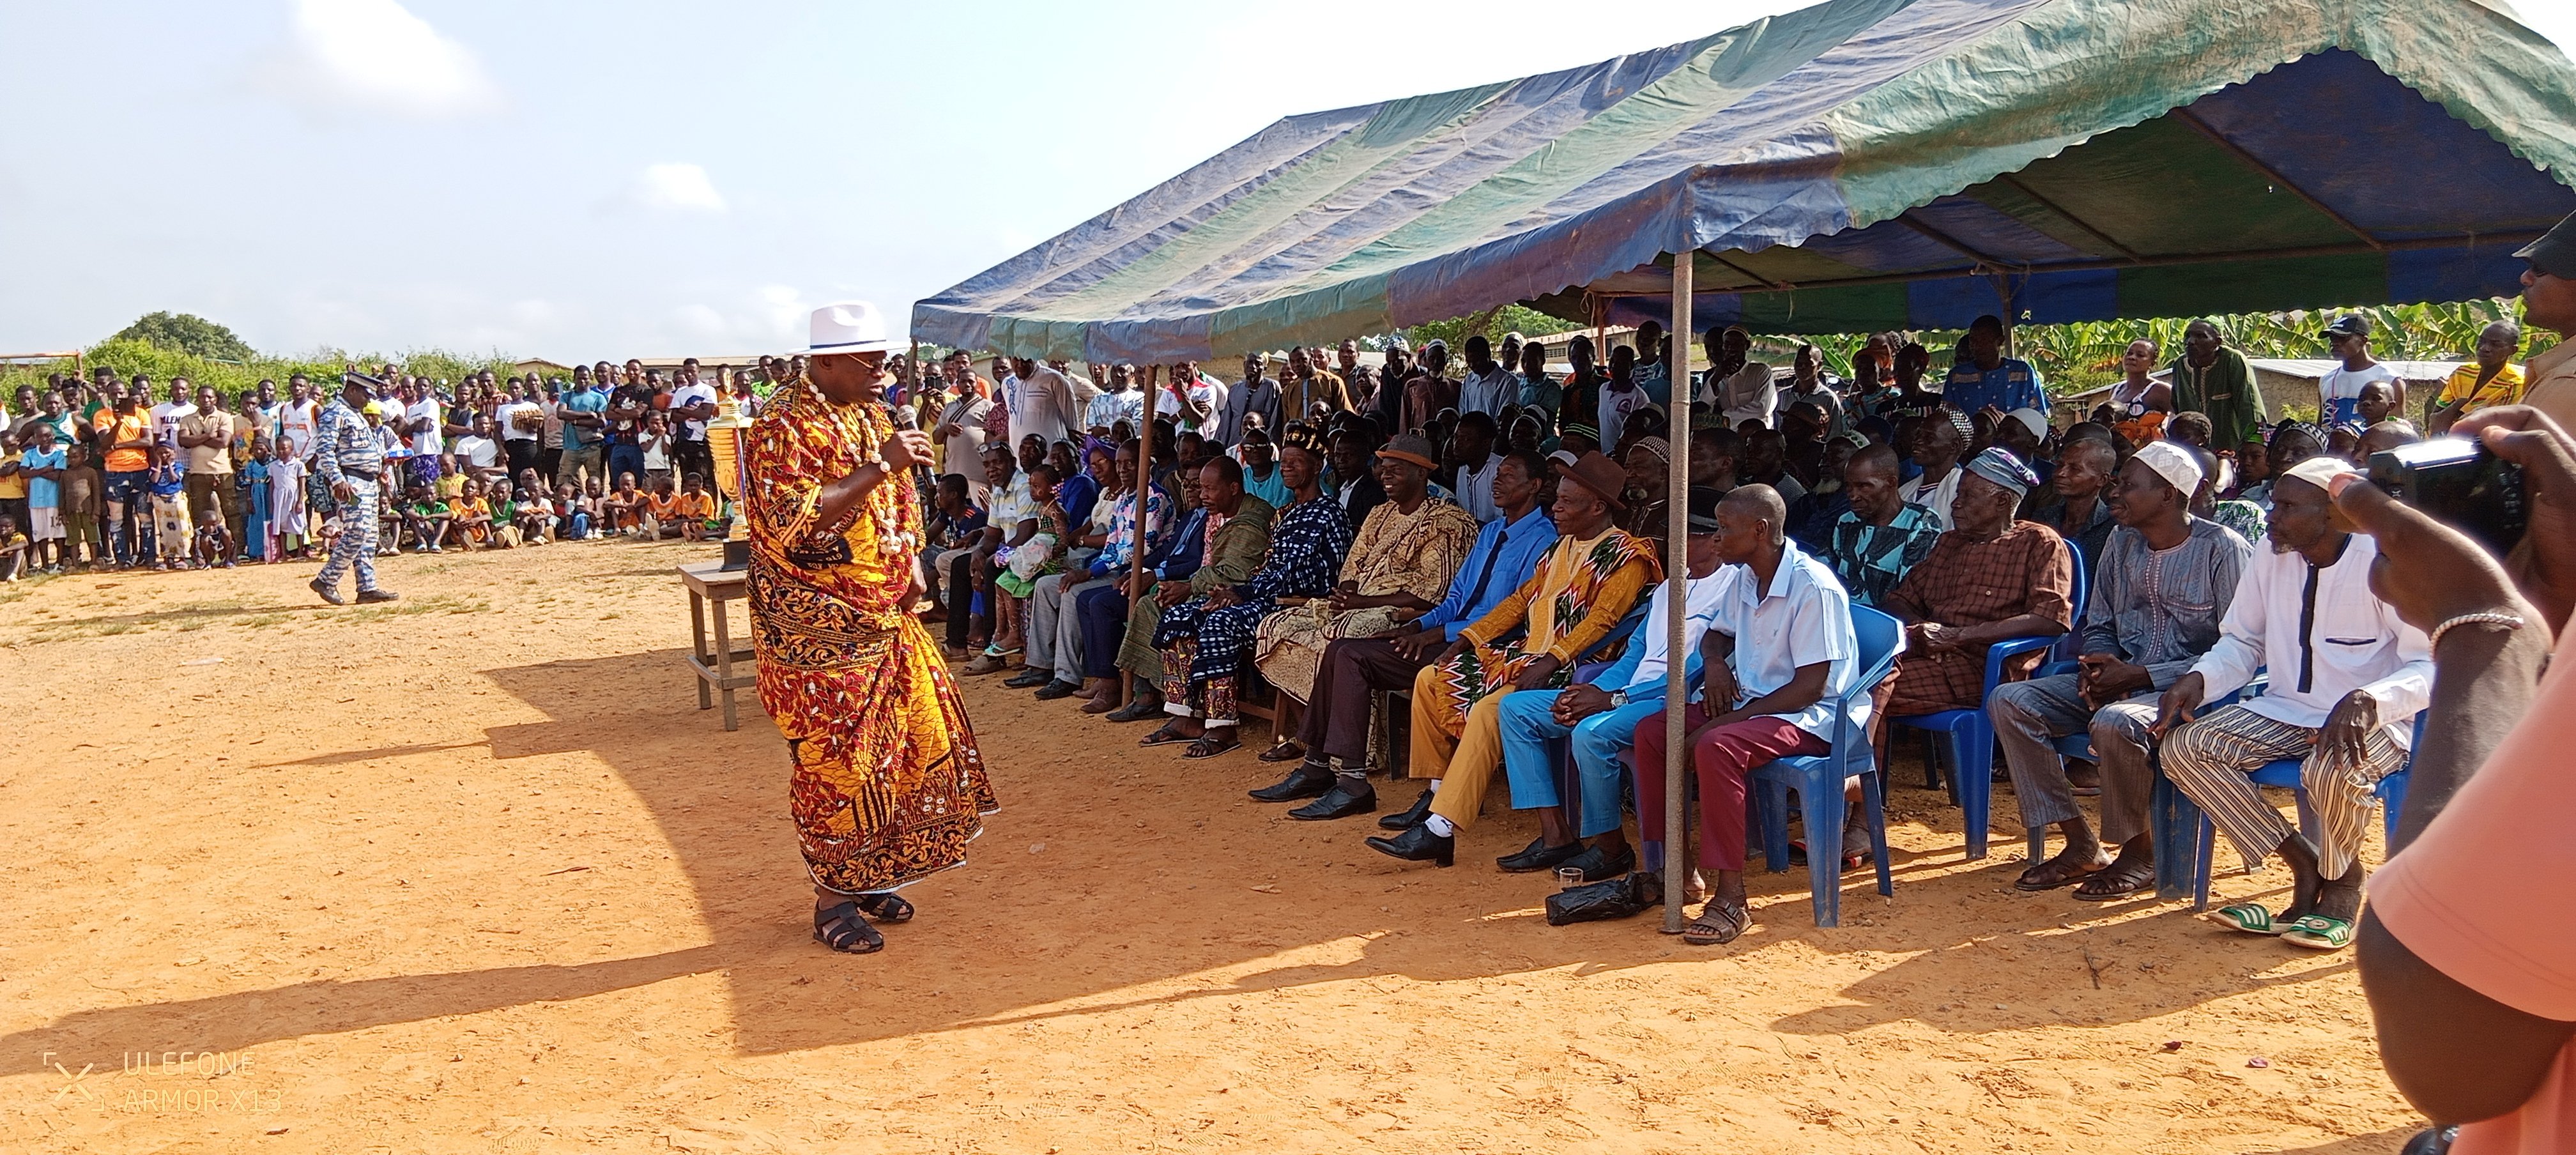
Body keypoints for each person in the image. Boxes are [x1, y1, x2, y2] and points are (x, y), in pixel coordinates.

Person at [744, 302, 996, 956]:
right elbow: (793, 524)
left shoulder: (873, 413)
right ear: (824, 361)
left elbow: (899, 504)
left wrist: (911, 557)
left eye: (886, 359)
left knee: (906, 744)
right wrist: (881, 465)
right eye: (871, 361)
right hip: (818, 630)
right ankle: (832, 896)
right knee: (841, 765)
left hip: (887, 616)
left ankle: (869, 870)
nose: (885, 371)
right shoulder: (780, 426)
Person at [1366, 451, 1658, 867]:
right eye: (1556, 498)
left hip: (1573, 668)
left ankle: (1440, 829)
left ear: (1597, 507)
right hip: (1523, 656)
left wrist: (1552, 660)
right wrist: (1469, 638)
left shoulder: (1626, 556)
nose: (1554, 507)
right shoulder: (1561, 547)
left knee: (1489, 710)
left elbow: (1602, 622)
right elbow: (1520, 601)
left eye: (1565, 501)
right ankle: (1436, 792)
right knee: (1431, 678)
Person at [1988, 441, 2251, 897]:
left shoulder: (2222, 550)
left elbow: (2239, 648)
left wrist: (2144, 678)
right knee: (2011, 701)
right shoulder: (2122, 540)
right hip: (2120, 681)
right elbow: (2101, 622)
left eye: (2128, 485)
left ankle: (2140, 851)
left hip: (2192, 695)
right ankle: (2079, 842)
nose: (2116, 492)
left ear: (2168, 494)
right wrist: (2098, 667)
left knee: (2115, 723)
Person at [1259, 449, 1557, 821]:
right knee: (1341, 650)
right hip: (1445, 637)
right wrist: (1418, 627)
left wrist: (1436, 635)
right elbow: (1457, 597)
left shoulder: (1544, 540)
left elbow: (1512, 615)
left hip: (1487, 649)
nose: (1498, 481)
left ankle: (1353, 785)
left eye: (1509, 475)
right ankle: (1317, 767)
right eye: (1498, 474)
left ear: (1535, 486)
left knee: (1353, 655)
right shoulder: (1493, 531)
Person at [1622, 484, 1860, 945]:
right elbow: (1716, 635)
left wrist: (1726, 721)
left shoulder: (1813, 587)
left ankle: (1732, 896)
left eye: (1724, 530)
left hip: (1807, 717)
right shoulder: (1747, 576)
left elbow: (1808, 688)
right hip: (1753, 704)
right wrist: (1713, 665)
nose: (1715, 540)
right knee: (1654, 731)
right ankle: (1677, 868)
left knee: (1716, 746)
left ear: (1760, 530)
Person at [1474, 484, 1735, 881]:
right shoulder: (1669, 587)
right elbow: (1635, 655)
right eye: (1671, 533)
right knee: (1516, 709)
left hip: (1675, 701)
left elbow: (1692, 674)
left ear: (1714, 541)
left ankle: (1610, 845)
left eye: (1684, 535)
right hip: (1625, 692)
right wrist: (1589, 692)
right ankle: (1556, 834)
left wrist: (1614, 699)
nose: (1670, 542)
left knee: (1591, 734)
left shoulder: (1732, 590)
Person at [1251, 434, 1478, 763]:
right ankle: (1312, 732)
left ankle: (1356, 751)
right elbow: (1353, 565)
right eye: (1383, 469)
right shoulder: (1379, 514)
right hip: (1357, 603)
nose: (1385, 476)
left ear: (1422, 474)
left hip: (1399, 613)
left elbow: (1432, 595)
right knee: (1277, 625)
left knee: (1341, 638)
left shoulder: (1445, 522)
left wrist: (1362, 604)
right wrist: (1350, 591)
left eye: (1396, 470)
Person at [1146, 437, 1345, 757]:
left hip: (1300, 603)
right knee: (1180, 616)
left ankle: (1223, 728)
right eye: (1287, 461)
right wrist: (1230, 592)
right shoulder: (1285, 514)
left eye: (1298, 461)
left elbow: (1303, 576)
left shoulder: (1328, 512)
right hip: (1261, 595)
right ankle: (1185, 718)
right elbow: (1267, 567)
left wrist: (1242, 592)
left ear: (1318, 466)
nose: (1289, 467)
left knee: (1220, 621)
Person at [1879, 449, 2076, 717]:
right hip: (1929, 655)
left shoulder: (2039, 542)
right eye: (1958, 494)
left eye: (1967, 496)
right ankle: (1855, 758)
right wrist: (1924, 630)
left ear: (2002, 501)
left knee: (1870, 687)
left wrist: (1957, 636)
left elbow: (2050, 620)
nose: (1955, 504)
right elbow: (1898, 600)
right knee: (1849, 674)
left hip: (1983, 669)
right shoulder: (1950, 542)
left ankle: (1851, 760)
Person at [1119, 456, 1274, 737]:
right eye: (1199, 489)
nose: (1202, 496)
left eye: (1209, 489)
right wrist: (1183, 586)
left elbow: (1235, 574)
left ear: (1234, 488)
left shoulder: (1251, 521)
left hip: (1246, 598)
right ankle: (1162, 702)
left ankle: (1200, 715)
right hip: (1213, 589)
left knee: (1180, 617)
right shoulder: (1219, 515)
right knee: (1151, 604)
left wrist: (1189, 587)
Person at [309, 373, 399, 604]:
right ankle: (327, 579)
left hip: (368, 481)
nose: (369, 400)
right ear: (352, 391)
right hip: (351, 482)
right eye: (366, 395)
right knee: (357, 531)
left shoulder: (356, 414)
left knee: (369, 535)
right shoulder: (335, 412)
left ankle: (367, 587)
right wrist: (337, 480)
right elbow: (325, 450)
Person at [1821, 443, 1942, 609]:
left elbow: (1908, 597)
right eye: (1848, 487)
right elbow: (1822, 572)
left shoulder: (1921, 524)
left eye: (1863, 486)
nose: (1853, 496)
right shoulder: (1847, 522)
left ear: (1891, 483)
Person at [2022, 434, 2118, 578]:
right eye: (2059, 465)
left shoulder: (2114, 529)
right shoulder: (2043, 517)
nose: (2060, 473)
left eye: (2075, 469)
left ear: (2102, 480)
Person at [177, 383, 239, 565]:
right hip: (198, 472)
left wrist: (197, 438)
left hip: (223, 471)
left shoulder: (225, 417)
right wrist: (208, 435)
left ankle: (235, 553)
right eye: (202, 397)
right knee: (198, 514)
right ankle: (200, 555)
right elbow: (183, 441)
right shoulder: (188, 418)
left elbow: (223, 442)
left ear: (215, 399)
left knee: (231, 512)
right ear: (197, 398)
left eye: (209, 397)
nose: (206, 400)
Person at [2429, 321, 2526, 436]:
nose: (2485, 348)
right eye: (2482, 341)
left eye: (2496, 345)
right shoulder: (2463, 373)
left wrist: (2456, 411)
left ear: (2512, 350)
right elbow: (2435, 421)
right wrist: (2457, 407)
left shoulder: (2515, 384)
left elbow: (2496, 429)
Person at [2318, 313, 2402, 429]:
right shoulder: (2326, 380)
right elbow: (2322, 425)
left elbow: (2395, 431)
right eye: (2332, 338)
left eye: (2343, 338)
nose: (2335, 343)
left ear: (2363, 340)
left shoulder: (2389, 379)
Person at [1898, 405, 1970, 530]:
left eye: (1929, 438)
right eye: (1918, 435)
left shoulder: (1964, 494)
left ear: (1954, 446)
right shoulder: (1904, 491)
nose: (1918, 441)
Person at [1701, 326, 1775, 429]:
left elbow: (1761, 410)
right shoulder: (1717, 376)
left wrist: (1723, 416)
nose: (1731, 348)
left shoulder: (1760, 372)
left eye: (1737, 344)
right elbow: (1701, 408)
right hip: (1726, 439)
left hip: (1756, 437)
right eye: (1727, 344)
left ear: (1747, 346)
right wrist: (1716, 378)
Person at [1215, 353, 1282, 449]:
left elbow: (1275, 422)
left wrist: (1269, 446)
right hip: (1234, 444)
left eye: (1258, 364)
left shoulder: (1272, 387)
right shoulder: (1235, 389)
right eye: (1250, 362)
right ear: (1244, 365)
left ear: (1265, 368)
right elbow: (1226, 422)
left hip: (1258, 446)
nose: (1253, 366)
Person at [146, 443, 190, 569]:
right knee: (164, 529)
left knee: (181, 528)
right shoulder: (154, 468)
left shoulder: (178, 466)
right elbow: (154, 480)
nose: (164, 455)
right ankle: (168, 557)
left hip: (175, 499)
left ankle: (183, 557)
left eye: (167, 452)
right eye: (160, 453)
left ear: (173, 453)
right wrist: (159, 464)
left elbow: (174, 479)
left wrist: (170, 464)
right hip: (160, 501)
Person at [1456, 335, 1516, 418]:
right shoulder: (1469, 380)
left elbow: (1504, 418)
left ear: (1488, 355)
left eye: (1476, 361)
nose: (1472, 365)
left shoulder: (1508, 382)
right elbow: (1463, 411)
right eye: (1469, 361)